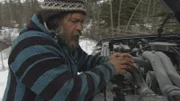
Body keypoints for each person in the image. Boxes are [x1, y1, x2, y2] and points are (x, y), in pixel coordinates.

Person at [2, 0, 134, 101]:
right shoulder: (31, 46)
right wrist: (110, 68)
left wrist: (109, 60)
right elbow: (65, 92)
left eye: (82, 22)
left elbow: (84, 60)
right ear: (54, 20)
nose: (80, 28)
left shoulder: (60, 38)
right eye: (74, 21)